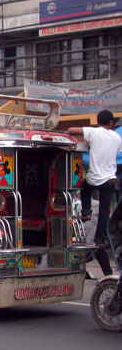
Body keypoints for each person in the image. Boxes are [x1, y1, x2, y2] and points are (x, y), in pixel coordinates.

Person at [68, 109, 122, 276]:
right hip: (110, 178)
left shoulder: (94, 132)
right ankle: (101, 237)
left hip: (95, 178)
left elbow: (72, 130)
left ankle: (86, 213)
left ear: (98, 121)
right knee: (105, 210)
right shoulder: (117, 137)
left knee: (84, 190)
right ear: (111, 123)